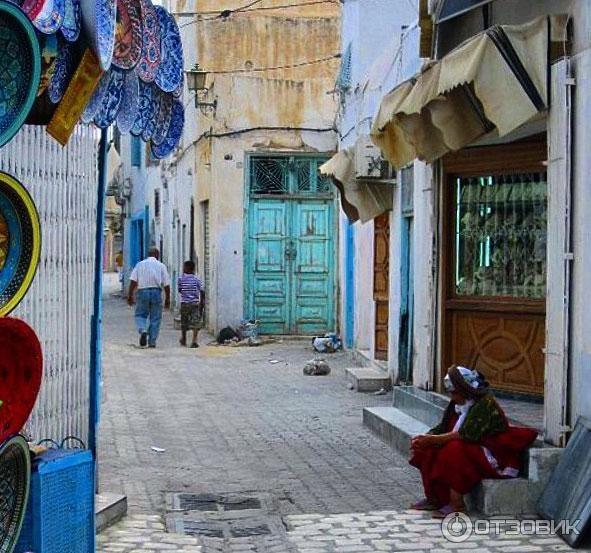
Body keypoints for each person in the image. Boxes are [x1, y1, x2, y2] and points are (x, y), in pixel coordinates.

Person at [409, 365, 537, 518]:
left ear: (464, 390)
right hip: (470, 446)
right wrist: (426, 437)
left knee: (453, 449)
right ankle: (435, 498)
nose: (452, 397)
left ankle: (457, 504)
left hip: (491, 452)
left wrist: (433, 439)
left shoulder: (485, 404)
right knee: (426, 449)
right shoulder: (456, 404)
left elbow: (467, 435)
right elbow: (443, 427)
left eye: (455, 392)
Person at [127, 247, 171, 348]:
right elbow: (166, 284)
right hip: (156, 291)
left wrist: (130, 295)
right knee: (155, 318)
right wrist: (168, 298)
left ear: (148, 254)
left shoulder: (140, 265)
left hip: (142, 291)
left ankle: (143, 329)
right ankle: (152, 341)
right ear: (157, 255)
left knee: (140, 315)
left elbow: (133, 281)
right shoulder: (161, 266)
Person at [178, 260, 205, 348]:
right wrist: (202, 302)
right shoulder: (197, 279)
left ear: (186, 268)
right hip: (195, 303)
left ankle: (184, 338)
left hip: (185, 303)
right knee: (195, 322)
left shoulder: (181, 279)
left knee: (184, 322)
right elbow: (202, 291)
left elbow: (180, 290)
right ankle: (194, 340)